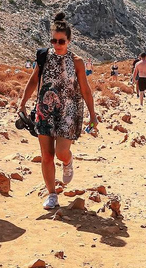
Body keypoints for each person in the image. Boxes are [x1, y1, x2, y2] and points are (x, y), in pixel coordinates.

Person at [18, 12, 98, 210]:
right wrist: (22, 103)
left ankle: (68, 161)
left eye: (61, 41)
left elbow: (85, 89)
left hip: (68, 112)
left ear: (69, 41)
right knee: (46, 156)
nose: (57, 44)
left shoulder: (77, 62)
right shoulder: (45, 57)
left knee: (61, 152)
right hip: (45, 110)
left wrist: (93, 115)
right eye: (53, 40)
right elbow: (34, 80)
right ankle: (52, 194)